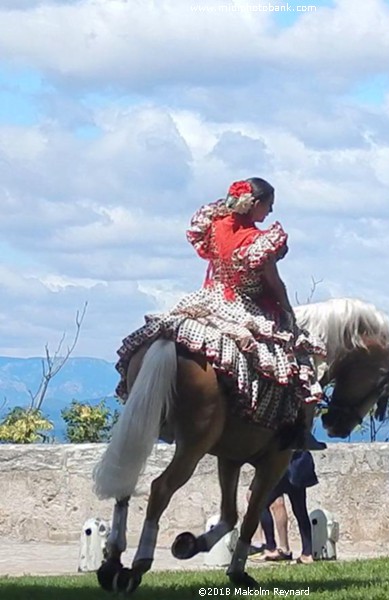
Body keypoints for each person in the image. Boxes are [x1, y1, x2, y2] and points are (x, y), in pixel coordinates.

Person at [115, 177, 326, 447]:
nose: (270, 212)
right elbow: (273, 283)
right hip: (244, 305)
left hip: (209, 297)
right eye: (269, 205)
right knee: (294, 360)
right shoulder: (258, 241)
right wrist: (287, 312)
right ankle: (291, 429)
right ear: (256, 204)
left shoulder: (214, 225)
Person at [254, 450, 318, 564]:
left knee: (260, 504)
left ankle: (271, 547)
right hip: (297, 467)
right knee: (300, 511)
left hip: (283, 466)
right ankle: (307, 554)